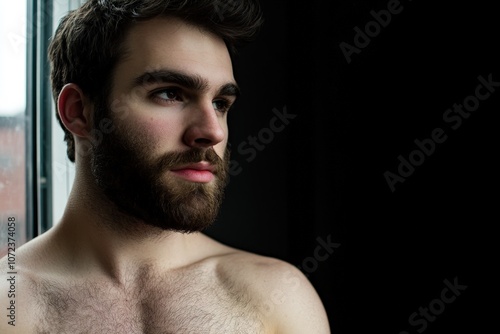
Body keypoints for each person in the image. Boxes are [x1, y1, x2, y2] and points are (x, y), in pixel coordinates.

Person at [1, 0, 330, 332]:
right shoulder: (10, 306)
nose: (212, 131)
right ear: (78, 112)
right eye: (170, 94)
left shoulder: (278, 297)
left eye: (220, 103)